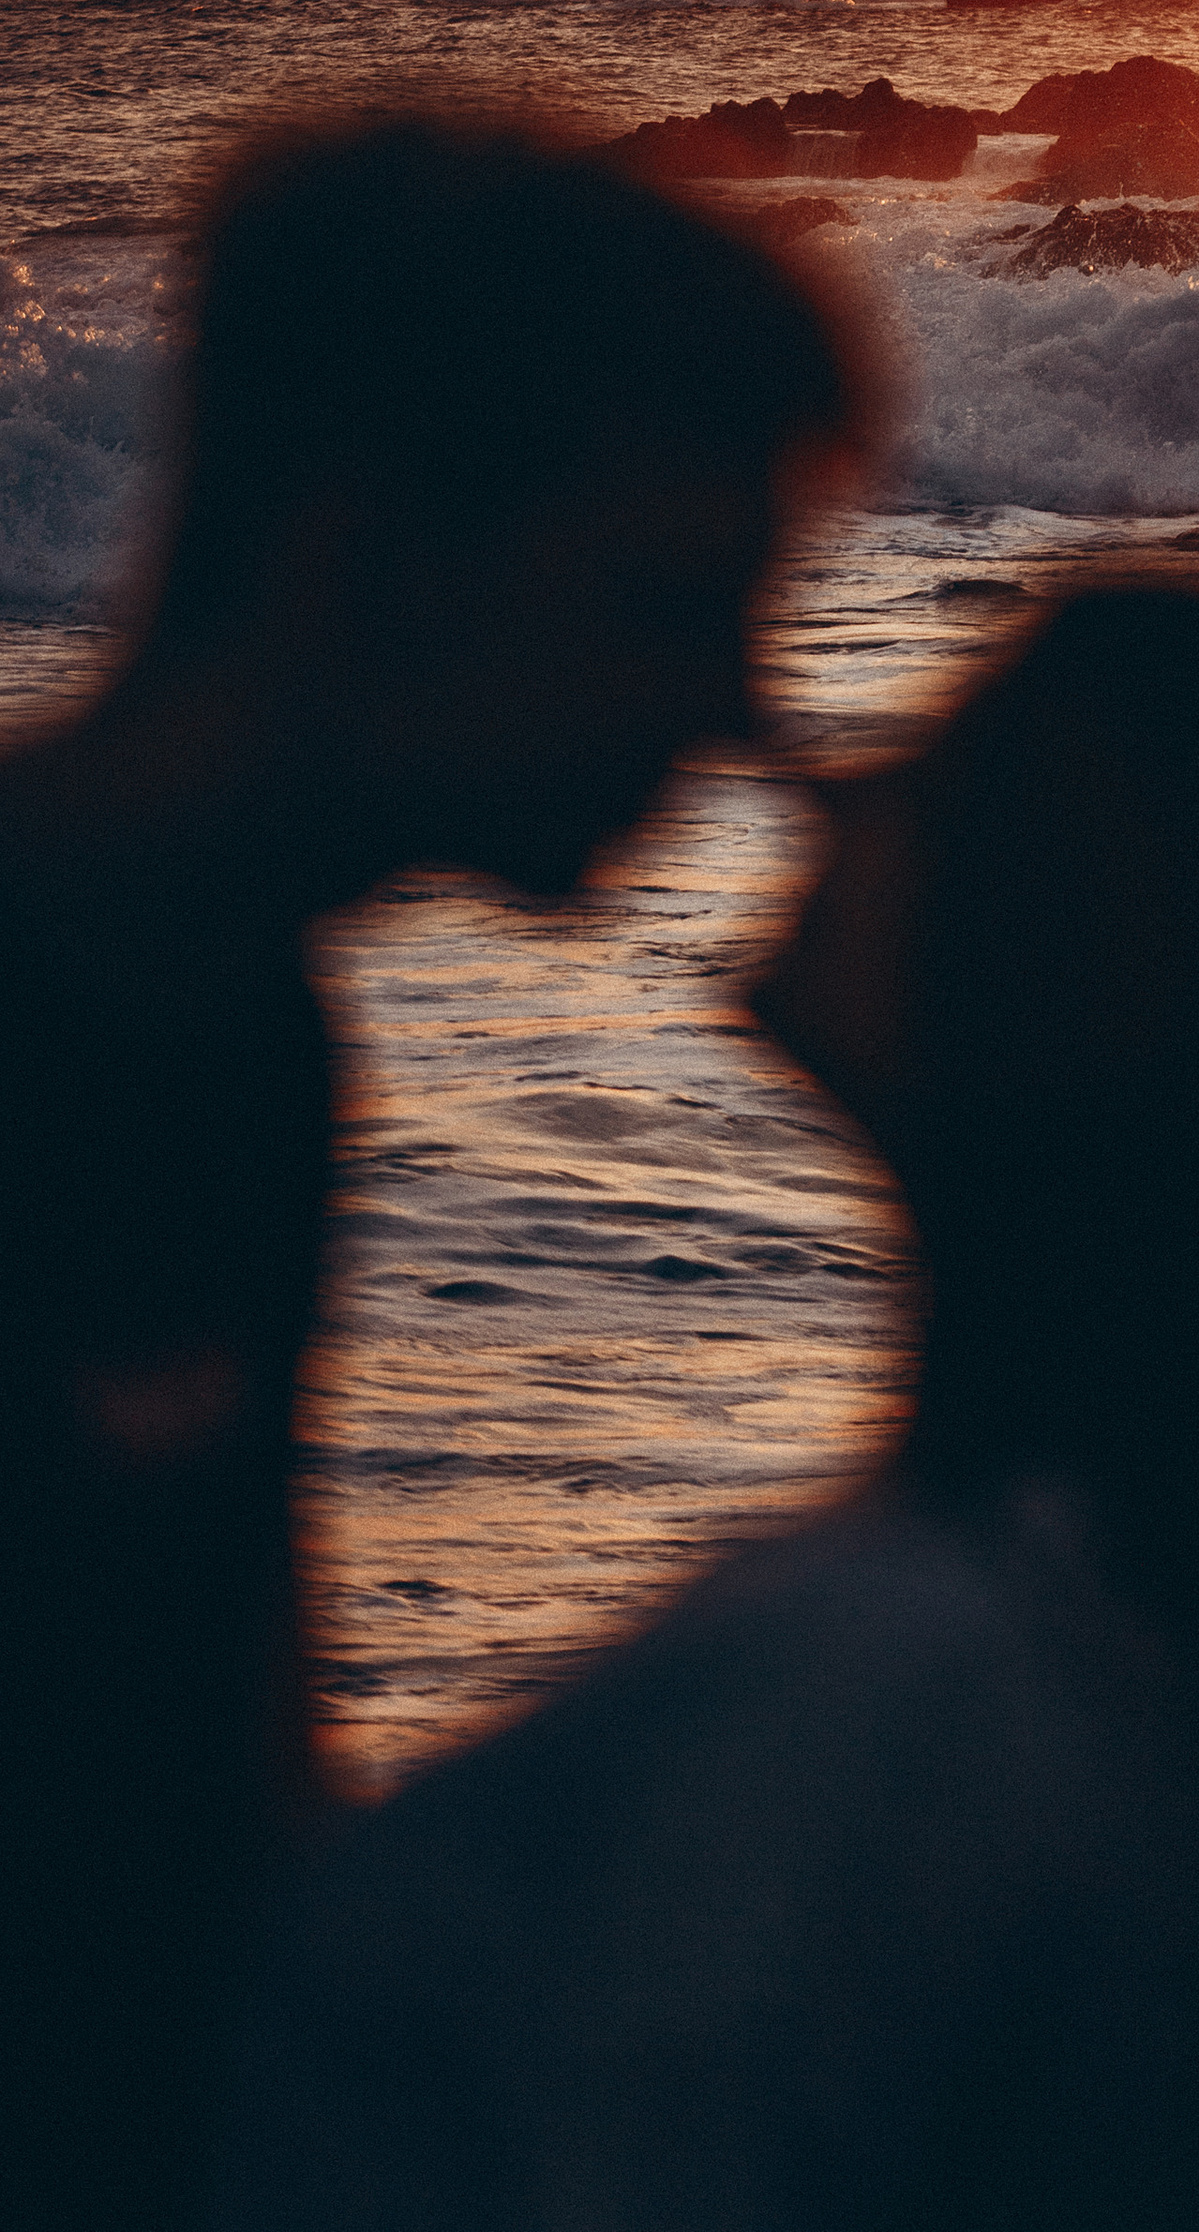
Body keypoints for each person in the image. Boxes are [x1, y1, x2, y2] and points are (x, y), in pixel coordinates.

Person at [207, 580, 1199, 2232]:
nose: (816, 779)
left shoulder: (925, 1689)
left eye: (932, 761)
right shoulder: (1105, 1651)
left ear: (1066, 934)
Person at [0, 114, 868, 2232]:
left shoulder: (247, 1036)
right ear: (364, 559)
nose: (741, 725)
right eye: (668, 601)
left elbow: (228, 1780)